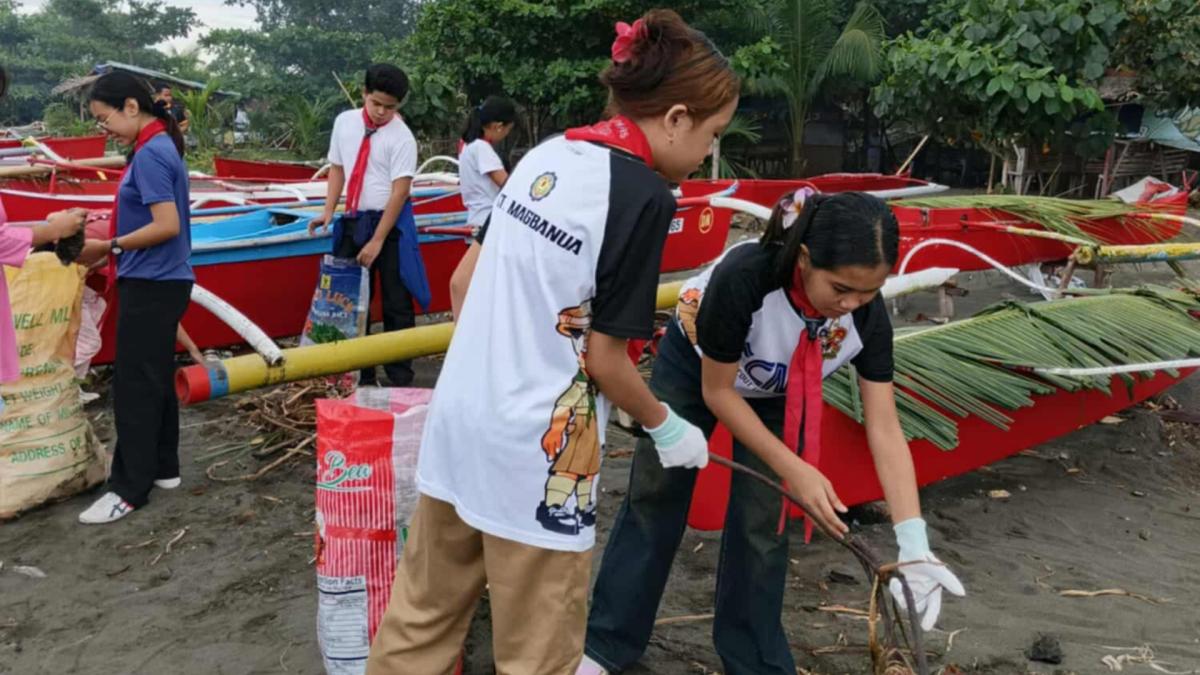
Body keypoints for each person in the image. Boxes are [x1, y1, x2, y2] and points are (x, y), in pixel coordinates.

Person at [366, 10, 739, 674]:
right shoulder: (643, 196)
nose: (705, 153)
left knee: (420, 621)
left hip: (459, 423)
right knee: (538, 653)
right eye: (711, 135)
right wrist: (666, 424)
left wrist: (499, 360)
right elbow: (605, 359)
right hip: (539, 456)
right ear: (677, 118)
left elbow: (462, 283)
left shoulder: (547, 154)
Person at [578, 190, 967, 674]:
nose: (851, 304)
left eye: (869, 292)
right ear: (804, 258)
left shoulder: (864, 316)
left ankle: (754, 660)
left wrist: (913, 541)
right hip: (699, 367)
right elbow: (718, 392)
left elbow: (884, 425)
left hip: (779, 389)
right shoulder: (746, 276)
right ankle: (607, 642)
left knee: (764, 522)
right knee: (657, 494)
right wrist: (796, 469)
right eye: (841, 288)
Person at [75, 71, 194, 524]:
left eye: (105, 119)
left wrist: (109, 247)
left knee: (134, 386)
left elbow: (167, 225)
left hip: (152, 281)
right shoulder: (159, 145)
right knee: (155, 375)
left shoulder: (150, 154)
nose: (103, 129)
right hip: (163, 279)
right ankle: (164, 467)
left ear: (130, 106)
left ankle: (129, 488)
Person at [308, 63, 427, 386]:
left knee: (395, 299)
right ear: (364, 93)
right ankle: (358, 373)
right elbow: (337, 168)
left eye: (390, 107)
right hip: (353, 219)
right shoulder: (344, 123)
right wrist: (328, 210)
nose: (381, 112)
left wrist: (377, 240)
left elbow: (400, 191)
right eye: (376, 103)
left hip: (390, 223)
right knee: (350, 299)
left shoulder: (402, 137)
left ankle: (400, 376)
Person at [448, 95, 517, 318]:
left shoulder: (467, 146)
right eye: (507, 130)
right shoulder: (482, 149)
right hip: (488, 222)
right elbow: (506, 184)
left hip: (475, 219)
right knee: (493, 283)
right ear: (498, 126)